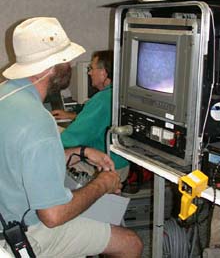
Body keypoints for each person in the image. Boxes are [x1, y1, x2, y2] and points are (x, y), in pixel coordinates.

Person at [0, 17, 143, 257]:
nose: (72, 64)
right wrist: (103, 184)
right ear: (50, 66)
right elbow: (53, 216)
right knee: (131, 243)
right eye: (66, 59)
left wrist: (80, 152)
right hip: (24, 232)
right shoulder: (39, 122)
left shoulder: (6, 94)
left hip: (5, 214)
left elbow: (20, 157)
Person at [52, 50, 130, 182]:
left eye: (91, 68)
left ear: (103, 72)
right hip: (121, 163)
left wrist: (46, 144)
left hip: (107, 167)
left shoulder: (101, 100)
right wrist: (72, 116)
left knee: (50, 166)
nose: (89, 73)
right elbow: (99, 122)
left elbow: (74, 138)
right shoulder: (116, 94)